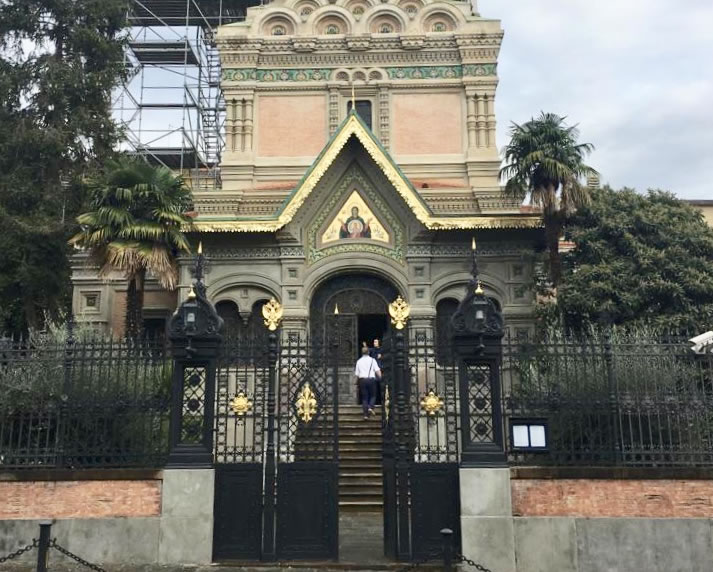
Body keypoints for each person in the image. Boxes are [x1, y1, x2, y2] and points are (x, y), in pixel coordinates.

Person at [354, 346, 381, 419]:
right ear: (368, 352)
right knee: (373, 396)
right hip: (371, 380)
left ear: (362, 353)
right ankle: (370, 407)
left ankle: (365, 415)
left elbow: (357, 374)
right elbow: (377, 371)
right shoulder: (372, 360)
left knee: (364, 398)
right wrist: (381, 378)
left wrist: (356, 382)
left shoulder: (359, 361)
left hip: (362, 380)